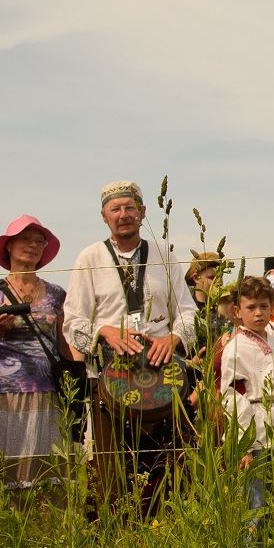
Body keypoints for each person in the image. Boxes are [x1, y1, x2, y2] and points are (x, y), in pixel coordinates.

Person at [63, 181, 197, 510]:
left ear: (143, 212)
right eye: (115, 209)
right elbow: (71, 323)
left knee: (172, 471)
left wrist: (173, 337)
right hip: (111, 384)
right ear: (104, 216)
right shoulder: (89, 257)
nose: (123, 215)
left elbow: (190, 313)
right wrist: (104, 332)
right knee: (112, 476)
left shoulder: (165, 255)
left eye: (129, 207)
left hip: (164, 381)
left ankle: (171, 540)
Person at [0, 216, 70, 490]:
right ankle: (7, 530)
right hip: (6, 392)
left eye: (40, 241)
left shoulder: (56, 294)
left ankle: (48, 530)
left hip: (48, 390)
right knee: (10, 469)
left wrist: (78, 379)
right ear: (9, 246)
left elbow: (63, 345)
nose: (33, 245)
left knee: (46, 469)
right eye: (25, 239)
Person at [219, 276, 274, 546]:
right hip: (256, 433)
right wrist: (244, 443)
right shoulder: (235, 348)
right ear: (237, 311)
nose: (258, 313)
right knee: (256, 505)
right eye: (251, 307)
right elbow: (231, 397)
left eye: (264, 306)